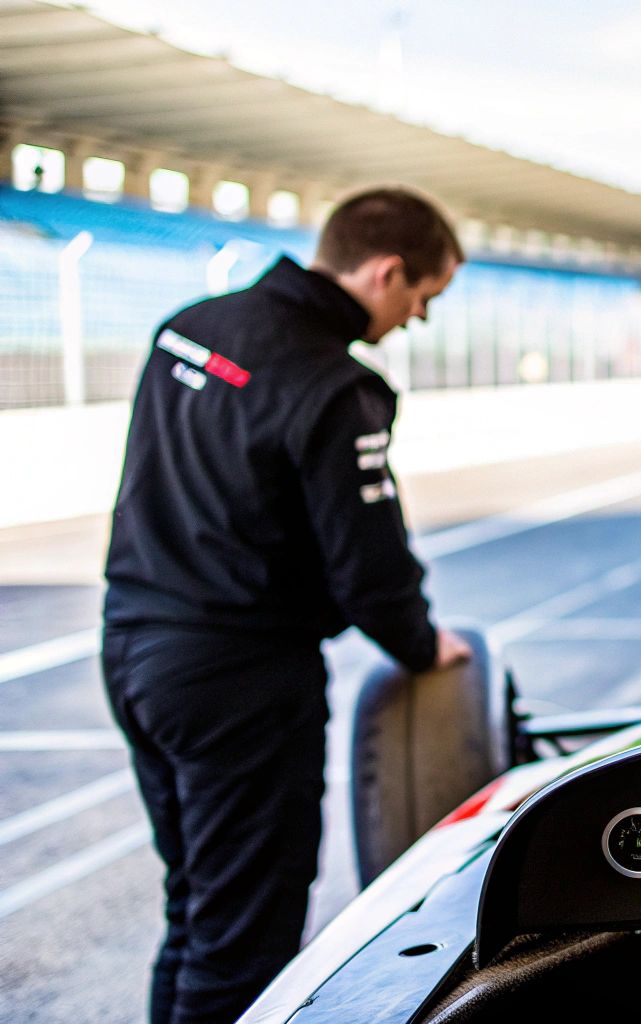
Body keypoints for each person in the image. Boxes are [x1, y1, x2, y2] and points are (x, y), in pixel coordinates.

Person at [101, 186, 472, 1024]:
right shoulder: (337, 389)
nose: (417, 320)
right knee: (243, 946)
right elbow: (369, 566)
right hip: (239, 682)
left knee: (195, 914)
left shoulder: (187, 329)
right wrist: (422, 646)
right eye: (424, 298)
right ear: (385, 272)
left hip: (131, 650)